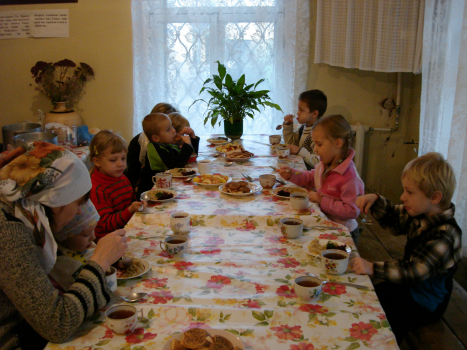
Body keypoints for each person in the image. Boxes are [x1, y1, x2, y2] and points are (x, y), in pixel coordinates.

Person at [0, 142, 127, 350]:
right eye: (78, 202)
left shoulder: (22, 215)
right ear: (56, 199)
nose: (79, 212)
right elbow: (57, 324)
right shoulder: (9, 232)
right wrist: (99, 261)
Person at [351, 152, 462, 343]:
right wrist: (375, 201)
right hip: (408, 287)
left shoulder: (445, 234)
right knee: (366, 299)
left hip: (425, 301)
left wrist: (372, 267)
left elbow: (414, 271)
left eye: (409, 192)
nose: (403, 197)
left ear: (434, 197)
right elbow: (394, 218)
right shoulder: (421, 211)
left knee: (386, 323)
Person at [277, 114, 364, 243]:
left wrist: (322, 200)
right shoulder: (325, 164)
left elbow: (352, 211)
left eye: (319, 144)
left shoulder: (350, 177)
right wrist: (292, 174)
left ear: (338, 143)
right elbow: (312, 177)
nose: (315, 150)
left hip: (343, 233)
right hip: (324, 224)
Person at [89, 130, 147, 239]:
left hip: (126, 229)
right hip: (108, 240)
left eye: (123, 158)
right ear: (97, 161)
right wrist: (130, 210)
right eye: (113, 160)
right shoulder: (96, 189)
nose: (120, 164)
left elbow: (131, 202)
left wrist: (139, 205)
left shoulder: (122, 178)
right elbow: (105, 225)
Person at [136, 113, 200, 198]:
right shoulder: (154, 149)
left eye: (172, 127)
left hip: (164, 188)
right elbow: (176, 166)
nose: (173, 130)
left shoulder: (166, 144)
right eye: (168, 129)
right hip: (151, 193)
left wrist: (192, 138)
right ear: (156, 138)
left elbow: (190, 158)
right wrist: (187, 146)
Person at [49, 200, 100, 292]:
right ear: (64, 237)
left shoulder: (86, 245)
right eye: (86, 234)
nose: (93, 237)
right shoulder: (62, 264)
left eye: (93, 230)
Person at [126, 103, 178, 190]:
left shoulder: (167, 139)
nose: (173, 130)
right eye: (168, 128)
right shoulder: (141, 143)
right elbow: (131, 170)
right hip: (146, 184)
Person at [282, 89, 327, 170]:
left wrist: (300, 151)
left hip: (311, 174)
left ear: (314, 113)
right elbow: (291, 144)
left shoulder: (319, 134)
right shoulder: (303, 127)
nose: (298, 113)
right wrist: (288, 127)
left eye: (301, 110)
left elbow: (318, 162)